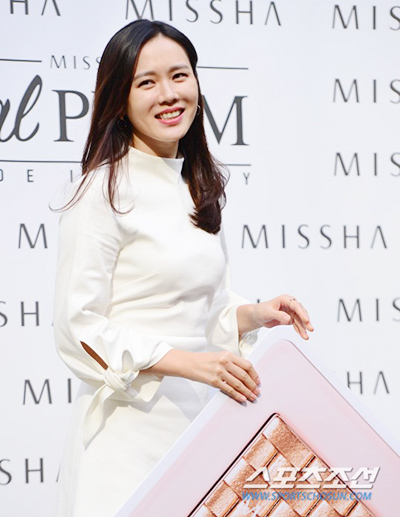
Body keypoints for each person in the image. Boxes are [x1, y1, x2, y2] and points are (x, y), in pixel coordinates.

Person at [53, 19, 313, 517]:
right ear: (119, 99)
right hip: (127, 435)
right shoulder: (101, 191)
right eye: (146, 82)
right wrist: (189, 363)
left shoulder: (196, 186)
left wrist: (255, 314)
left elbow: (200, 312)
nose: (169, 94)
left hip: (199, 428)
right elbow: (77, 326)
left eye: (179, 75)